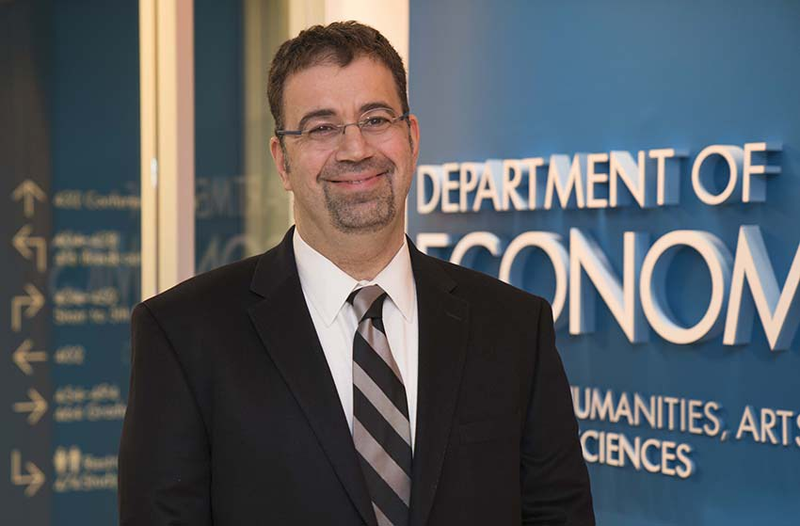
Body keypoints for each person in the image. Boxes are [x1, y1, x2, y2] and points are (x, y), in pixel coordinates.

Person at [118, 21, 594, 526]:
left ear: (411, 138)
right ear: (282, 161)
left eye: (376, 118)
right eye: (321, 128)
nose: (356, 149)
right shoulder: (183, 334)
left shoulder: (515, 326)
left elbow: (558, 514)